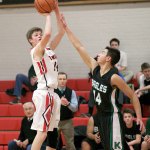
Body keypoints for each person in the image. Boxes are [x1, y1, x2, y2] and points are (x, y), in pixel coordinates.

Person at [60, 15, 143, 149]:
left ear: (108, 58)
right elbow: (79, 47)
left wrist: (138, 117)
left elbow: (132, 95)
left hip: (112, 117)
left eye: (102, 52)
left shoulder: (114, 77)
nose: (98, 54)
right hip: (100, 117)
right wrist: (66, 29)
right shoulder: (95, 68)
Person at [28, 2, 64, 150]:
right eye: (36, 35)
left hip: (52, 94)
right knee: (42, 132)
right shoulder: (36, 51)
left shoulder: (48, 49)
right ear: (31, 41)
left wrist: (56, 9)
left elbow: (61, 32)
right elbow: (48, 33)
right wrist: (47, 14)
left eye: (40, 34)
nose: (40, 35)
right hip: (44, 93)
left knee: (53, 132)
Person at [55, 72, 78, 150]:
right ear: (57, 80)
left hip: (67, 121)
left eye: (64, 79)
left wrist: (68, 103)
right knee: (52, 143)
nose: (62, 81)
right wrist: (58, 102)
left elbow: (75, 108)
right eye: (60, 79)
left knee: (70, 144)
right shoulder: (52, 92)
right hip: (54, 121)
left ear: (66, 80)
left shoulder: (72, 92)